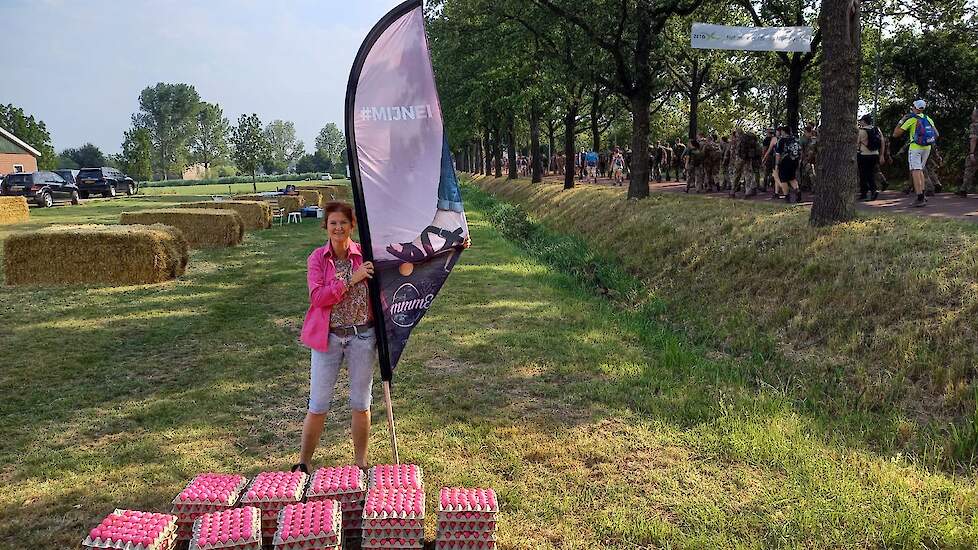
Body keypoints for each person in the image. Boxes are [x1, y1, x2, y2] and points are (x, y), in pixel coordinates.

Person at [295, 202, 377, 474]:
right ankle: (304, 462)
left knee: (360, 403)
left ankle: (360, 462)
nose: (339, 227)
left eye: (344, 222)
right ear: (326, 226)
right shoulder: (318, 258)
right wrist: (350, 280)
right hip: (328, 339)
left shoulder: (365, 255)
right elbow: (317, 297)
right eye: (333, 223)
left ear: (352, 226)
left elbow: (401, 259)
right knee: (318, 403)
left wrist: (451, 246)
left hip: (362, 337)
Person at [892, 99, 939, 207]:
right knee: (920, 171)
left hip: (915, 147)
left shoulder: (911, 119)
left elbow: (895, 134)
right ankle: (922, 195)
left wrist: (901, 120)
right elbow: (936, 134)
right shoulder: (928, 118)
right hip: (927, 148)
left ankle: (919, 197)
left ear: (914, 108)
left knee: (915, 171)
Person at [857, 114, 883, 201]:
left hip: (864, 154)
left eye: (861, 121)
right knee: (871, 173)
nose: (860, 122)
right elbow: (882, 141)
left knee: (863, 174)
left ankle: (867, 192)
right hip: (875, 154)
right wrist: (881, 155)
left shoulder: (861, 131)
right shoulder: (876, 129)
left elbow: (857, 143)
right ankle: (872, 190)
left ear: (864, 121)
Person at [730, 127, 762, 198]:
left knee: (736, 174)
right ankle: (748, 192)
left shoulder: (737, 140)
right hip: (748, 158)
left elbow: (734, 151)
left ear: (737, 133)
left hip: (739, 158)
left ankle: (732, 191)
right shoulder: (748, 138)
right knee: (748, 175)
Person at [775, 126, 803, 203]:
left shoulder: (781, 140)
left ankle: (787, 197)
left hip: (785, 162)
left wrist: (777, 164)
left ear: (784, 131)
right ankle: (797, 191)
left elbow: (778, 154)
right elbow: (800, 150)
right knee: (792, 178)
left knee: (783, 179)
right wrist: (799, 160)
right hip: (795, 160)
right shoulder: (796, 139)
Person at [957, 107, 978, 197]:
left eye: (973, 114)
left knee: (969, 169)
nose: (971, 116)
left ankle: (963, 189)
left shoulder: (974, 125)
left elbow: (973, 139)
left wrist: (972, 153)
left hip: (976, 152)